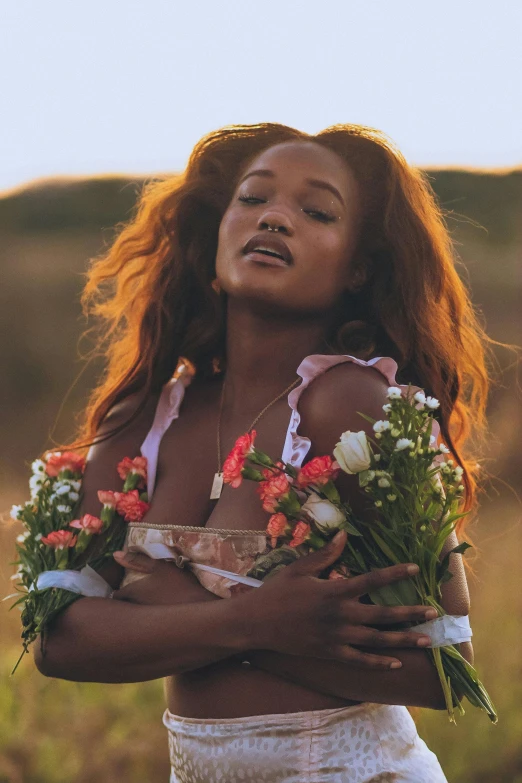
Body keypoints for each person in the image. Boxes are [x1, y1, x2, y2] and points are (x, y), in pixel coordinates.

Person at [34, 122, 494, 782]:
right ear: (214, 233)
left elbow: (450, 671)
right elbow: (59, 637)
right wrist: (253, 619)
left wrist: (179, 606)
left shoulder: (356, 406)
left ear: (356, 266)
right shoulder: (142, 421)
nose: (276, 217)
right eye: (253, 199)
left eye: (316, 211)